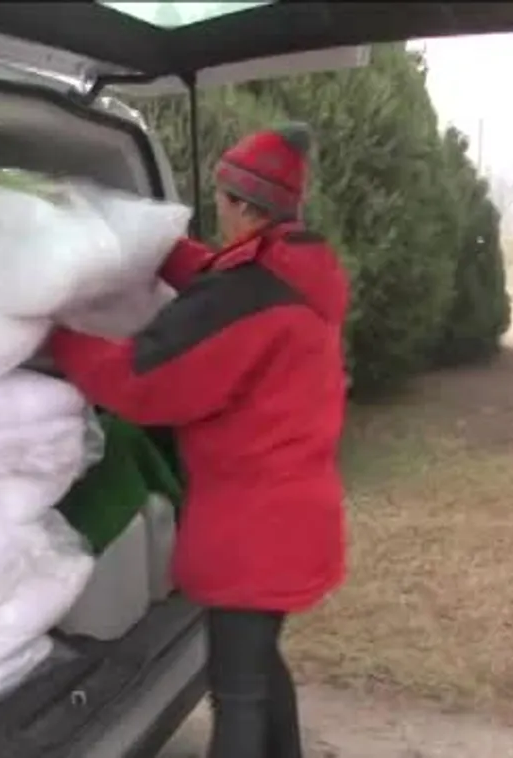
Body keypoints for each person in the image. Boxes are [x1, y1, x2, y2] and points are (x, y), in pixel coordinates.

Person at [48, 123, 349, 758]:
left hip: (252, 529)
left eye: (225, 199)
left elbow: (143, 383)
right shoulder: (297, 269)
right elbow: (222, 281)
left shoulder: (247, 297)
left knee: (236, 694)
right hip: (295, 513)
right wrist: (158, 248)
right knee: (260, 664)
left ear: (243, 205)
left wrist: (56, 332)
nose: (220, 209)